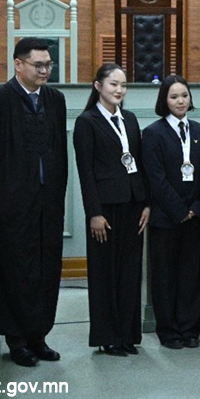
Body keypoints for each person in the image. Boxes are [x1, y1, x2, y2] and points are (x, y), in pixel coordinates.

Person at [0, 37, 68, 368]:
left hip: (49, 201)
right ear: (18, 64)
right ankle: (17, 339)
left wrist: (58, 191)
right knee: (17, 269)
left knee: (47, 267)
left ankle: (39, 335)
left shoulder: (55, 100)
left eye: (48, 65)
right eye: (38, 65)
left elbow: (59, 151)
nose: (45, 71)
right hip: (15, 201)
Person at [73, 64, 149, 357]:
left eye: (123, 85)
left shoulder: (129, 119)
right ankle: (107, 336)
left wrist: (146, 203)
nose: (119, 90)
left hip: (132, 204)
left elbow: (138, 163)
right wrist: (94, 212)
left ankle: (128, 334)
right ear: (98, 86)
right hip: (104, 208)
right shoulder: (87, 122)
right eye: (113, 84)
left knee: (130, 272)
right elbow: (85, 171)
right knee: (105, 273)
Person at [141, 75, 200, 350]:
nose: (180, 101)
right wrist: (179, 210)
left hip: (196, 217)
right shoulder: (153, 133)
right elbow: (155, 178)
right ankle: (168, 331)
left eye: (184, 96)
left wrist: (195, 208)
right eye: (174, 97)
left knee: (192, 276)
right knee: (165, 277)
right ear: (164, 101)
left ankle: (190, 329)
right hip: (165, 219)